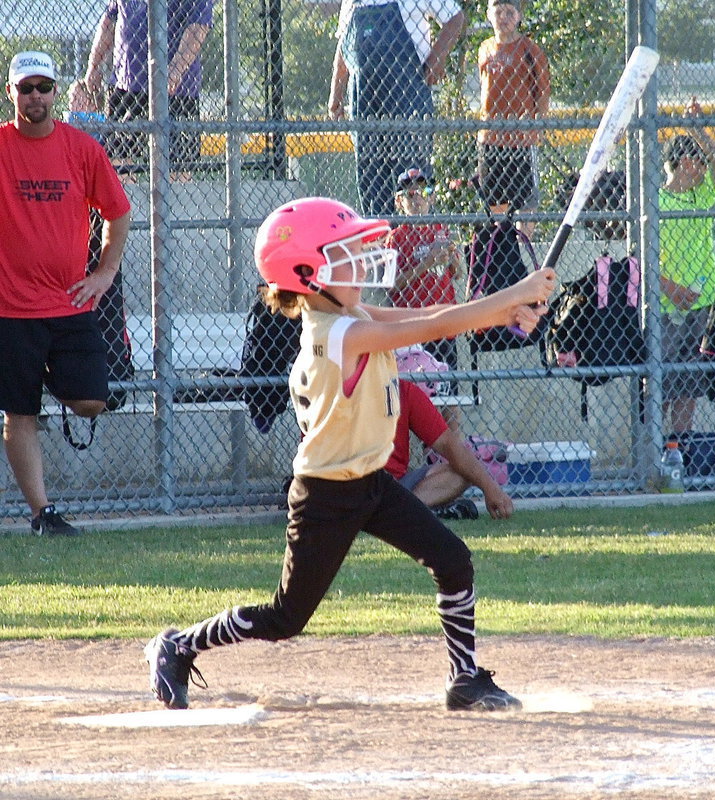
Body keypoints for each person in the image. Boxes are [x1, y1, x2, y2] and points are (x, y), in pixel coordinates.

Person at [144, 195, 555, 712]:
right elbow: (434, 328)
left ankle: (465, 679)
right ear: (307, 274)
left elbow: (431, 312)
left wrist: (505, 311)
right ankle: (179, 646)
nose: (360, 263)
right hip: (325, 493)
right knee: (286, 616)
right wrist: (515, 291)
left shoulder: (351, 314)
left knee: (453, 559)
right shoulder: (337, 332)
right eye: (343, 256)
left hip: (371, 482)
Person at [0, 51, 131, 536]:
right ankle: (42, 514)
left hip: (70, 302)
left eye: (44, 87)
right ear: (11, 93)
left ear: (57, 92)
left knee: (91, 399)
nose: (36, 96)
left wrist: (105, 271)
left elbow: (119, 213)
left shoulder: (81, 148)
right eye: (26, 87)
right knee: (20, 412)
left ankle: (48, 376)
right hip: (11, 309)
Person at [328, 0, 465, 217]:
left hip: (408, 94)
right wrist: (336, 90)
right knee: (371, 176)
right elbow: (344, 43)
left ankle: (419, 244)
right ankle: (381, 243)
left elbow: (455, 18)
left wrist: (436, 60)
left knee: (412, 175)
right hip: (364, 100)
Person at [659, 96, 715, 435]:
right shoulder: (655, 201)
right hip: (664, 306)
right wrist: (670, 288)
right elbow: (640, 259)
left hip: (699, 305)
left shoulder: (699, 196)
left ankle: (681, 445)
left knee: (689, 382)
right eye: (698, 161)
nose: (703, 169)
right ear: (686, 162)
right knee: (661, 381)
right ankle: (655, 453)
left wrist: (698, 130)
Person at [83, 0, 214, 174]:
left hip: (177, 91)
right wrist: (94, 66)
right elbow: (109, 21)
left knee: (178, 167)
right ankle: (126, 200)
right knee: (118, 163)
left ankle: (174, 198)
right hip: (126, 83)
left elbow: (198, 28)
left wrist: (175, 71)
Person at [386, 370, 515, 521]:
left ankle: (402, 510)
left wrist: (490, 487)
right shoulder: (352, 396)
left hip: (395, 488)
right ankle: (405, 512)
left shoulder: (403, 391)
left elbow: (449, 444)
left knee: (465, 472)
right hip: (360, 486)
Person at [477, 0, 550, 237]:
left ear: (519, 16)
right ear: (489, 15)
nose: (503, 17)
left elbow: (542, 91)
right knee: (495, 198)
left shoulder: (530, 50)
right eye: (498, 12)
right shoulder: (485, 48)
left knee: (525, 200)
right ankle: (502, 246)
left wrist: (537, 126)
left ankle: (523, 247)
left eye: (509, 12)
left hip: (520, 139)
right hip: (491, 137)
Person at [387, 167, 464, 375]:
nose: (417, 199)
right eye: (410, 194)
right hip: (412, 327)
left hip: (443, 323)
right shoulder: (397, 237)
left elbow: (458, 274)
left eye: (423, 192)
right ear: (398, 201)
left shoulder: (440, 228)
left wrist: (450, 255)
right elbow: (392, 284)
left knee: (448, 388)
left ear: (431, 199)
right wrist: (426, 263)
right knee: (416, 387)